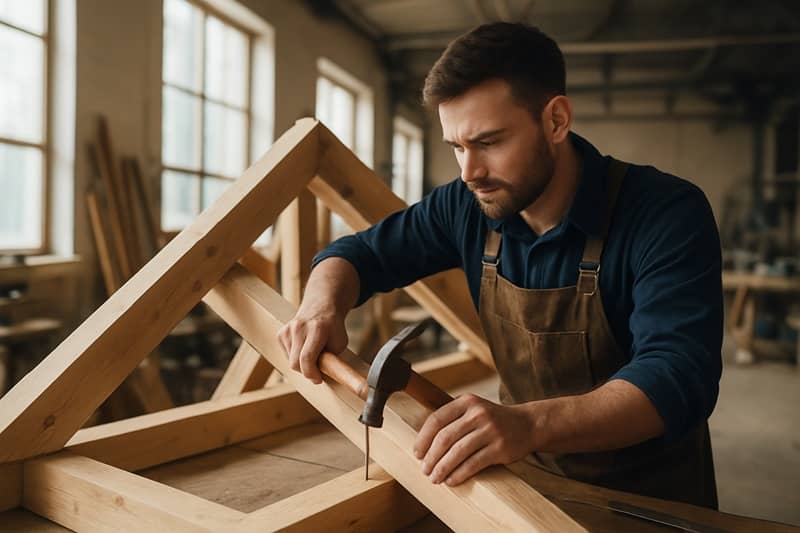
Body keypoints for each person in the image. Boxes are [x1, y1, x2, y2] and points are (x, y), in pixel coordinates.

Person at [278, 22, 722, 508]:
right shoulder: (465, 206)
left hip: (650, 497)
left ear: (555, 121)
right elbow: (356, 255)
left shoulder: (665, 212)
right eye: (457, 147)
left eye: (488, 143)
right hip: (524, 484)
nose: (469, 173)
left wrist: (528, 424)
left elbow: (678, 376)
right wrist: (319, 305)